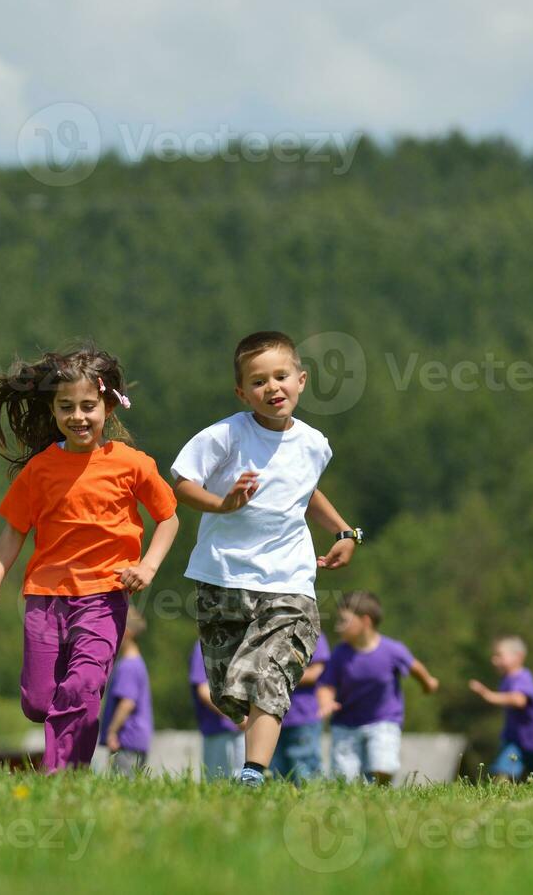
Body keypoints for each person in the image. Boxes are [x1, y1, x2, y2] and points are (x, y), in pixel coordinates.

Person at [0, 343, 179, 772]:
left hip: (105, 594)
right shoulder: (40, 469)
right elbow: (14, 531)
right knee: (41, 701)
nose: (78, 416)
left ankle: (62, 776)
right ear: (54, 411)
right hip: (45, 596)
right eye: (67, 407)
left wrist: (147, 566)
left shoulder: (131, 464)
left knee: (82, 685)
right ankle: (66, 749)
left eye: (88, 406)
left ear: (108, 407)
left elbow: (168, 518)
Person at [171, 331, 360, 788]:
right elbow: (181, 481)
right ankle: (254, 757)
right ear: (241, 392)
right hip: (222, 577)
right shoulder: (225, 436)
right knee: (228, 690)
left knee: (267, 677)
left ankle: (252, 774)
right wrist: (222, 505)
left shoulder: (314, 442)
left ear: (301, 380)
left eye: (281, 377)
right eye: (258, 382)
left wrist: (345, 531)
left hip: (290, 581)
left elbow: (304, 490)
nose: (272, 388)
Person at [317, 591, 438, 785]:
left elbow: (415, 667)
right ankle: (357, 799)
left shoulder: (392, 650)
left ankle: (378, 792)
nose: (338, 627)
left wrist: (428, 683)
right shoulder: (340, 654)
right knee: (344, 778)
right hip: (346, 723)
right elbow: (326, 685)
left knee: (383, 765)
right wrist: (326, 702)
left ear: (365, 621)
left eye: (344, 620)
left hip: (384, 720)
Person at [470, 636, 533, 786]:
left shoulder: (523, 676)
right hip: (514, 739)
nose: (494, 660)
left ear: (518, 657)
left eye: (499, 656)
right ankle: (499, 793)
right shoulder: (506, 679)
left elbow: (519, 700)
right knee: (503, 769)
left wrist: (489, 695)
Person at [270, 633, 330, 783]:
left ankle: (310, 805)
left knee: (305, 772)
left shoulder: (309, 632)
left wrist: (278, 677)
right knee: (275, 774)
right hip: (272, 716)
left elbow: (317, 672)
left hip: (302, 717)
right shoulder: (266, 632)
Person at [100, 608, 152, 776]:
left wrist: (112, 731)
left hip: (126, 739)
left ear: (127, 633)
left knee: (122, 783)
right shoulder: (137, 662)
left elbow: (127, 703)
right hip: (136, 740)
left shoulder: (127, 666)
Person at [188, 640, 245, 781]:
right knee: (218, 782)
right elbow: (203, 689)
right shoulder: (205, 645)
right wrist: (236, 715)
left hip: (242, 730)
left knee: (242, 784)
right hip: (220, 730)